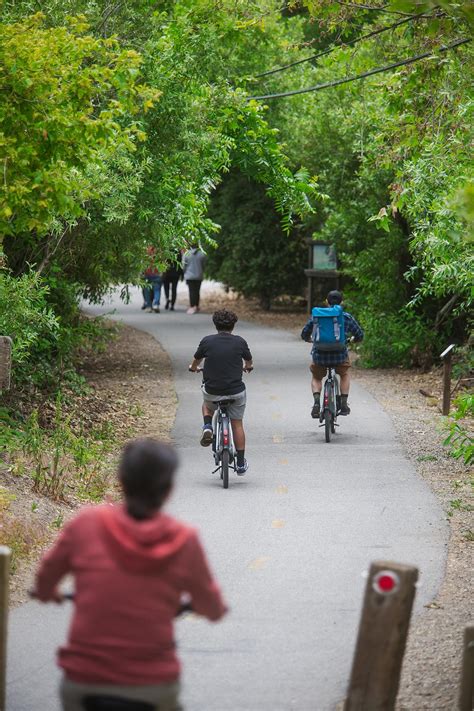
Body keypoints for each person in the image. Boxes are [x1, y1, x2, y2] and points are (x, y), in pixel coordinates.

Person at [32, 438, 227, 711]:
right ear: (169, 490)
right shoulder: (184, 539)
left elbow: (46, 577)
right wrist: (210, 608)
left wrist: (47, 592)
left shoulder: (86, 523)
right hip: (153, 684)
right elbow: (212, 606)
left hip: (85, 679)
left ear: (121, 481)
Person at [188, 309, 253, 475]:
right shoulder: (240, 342)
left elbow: (196, 360)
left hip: (213, 390)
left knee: (207, 406)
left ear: (215, 324)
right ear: (233, 325)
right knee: (237, 423)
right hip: (236, 391)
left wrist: (193, 368)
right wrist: (248, 367)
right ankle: (239, 463)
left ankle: (208, 425)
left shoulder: (207, 341)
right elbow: (248, 360)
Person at [301, 290, 364, 417]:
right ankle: (344, 404)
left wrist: (309, 339)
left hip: (320, 355)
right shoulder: (345, 317)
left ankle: (317, 403)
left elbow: (304, 333)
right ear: (342, 302)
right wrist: (353, 340)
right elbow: (359, 335)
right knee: (344, 374)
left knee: (317, 377)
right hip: (339, 355)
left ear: (326, 301)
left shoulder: (317, 316)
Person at [182, 244, 206, 315]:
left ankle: (192, 306)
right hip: (199, 275)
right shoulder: (202, 254)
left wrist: (185, 273)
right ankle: (196, 305)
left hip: (189, 276)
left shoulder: (186, 254)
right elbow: (204, 265)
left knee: (191, 291)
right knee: (197, 291)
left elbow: (183, 266)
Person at [142, 246, 162, 313]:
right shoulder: (159, 252)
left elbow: (142, 264)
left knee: (147, 291)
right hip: (157, 274)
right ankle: (156, 305)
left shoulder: (145, 252)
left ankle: (148, 307)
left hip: (147, 274)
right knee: (157, 290)